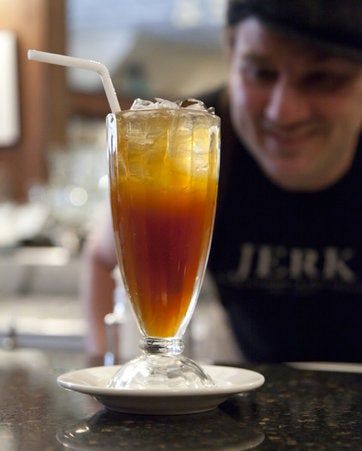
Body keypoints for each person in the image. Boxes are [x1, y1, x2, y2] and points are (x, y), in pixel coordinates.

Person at [82, 0, 362, 363]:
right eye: (261, 73)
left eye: (321, 79)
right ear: (231, 55)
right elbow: (103, 257)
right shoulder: (192, 137)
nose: (284, 112)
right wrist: (102, 368)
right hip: (252, 404)